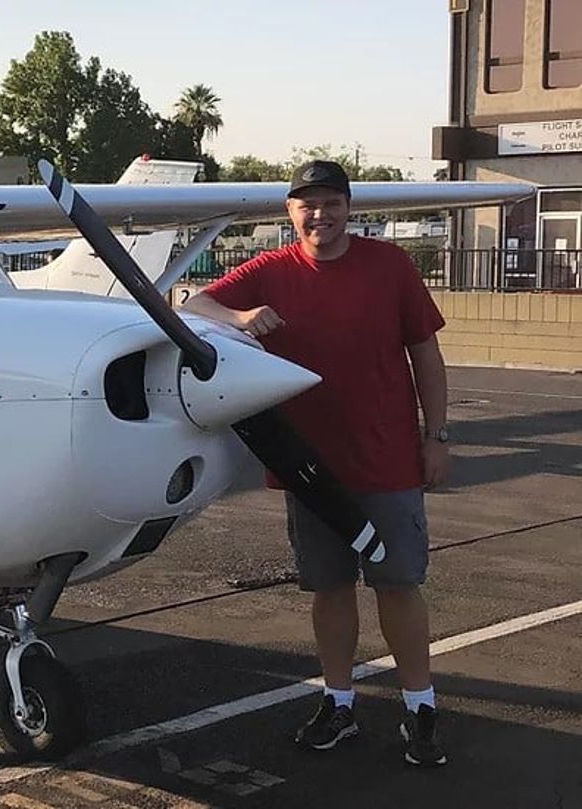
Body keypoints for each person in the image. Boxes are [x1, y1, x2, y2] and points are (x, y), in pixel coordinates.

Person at [182, 160, 450, 767]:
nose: (319, 215)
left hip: (387, 461)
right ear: (290, 212)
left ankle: (421, 707)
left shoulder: (390, 266)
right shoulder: (271, 270)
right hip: (309, 470)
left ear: (349, 208)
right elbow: (194, 303)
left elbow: (427, 356)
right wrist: (241, 317)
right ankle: (339, 702)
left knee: (398, 585)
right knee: (329, 589)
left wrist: (436, 436)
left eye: (331, 203)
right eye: (307, 204)